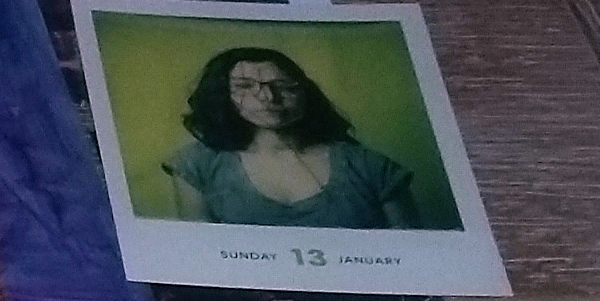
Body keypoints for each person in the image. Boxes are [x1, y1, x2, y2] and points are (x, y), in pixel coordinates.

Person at [162, 47, 423, 229]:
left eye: (284, 86)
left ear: (306, 93)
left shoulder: (371, 166)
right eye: (245, 87)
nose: (269, 98)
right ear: (221, 96)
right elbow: (200, 256)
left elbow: (412, 255)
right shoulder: (197, 164)